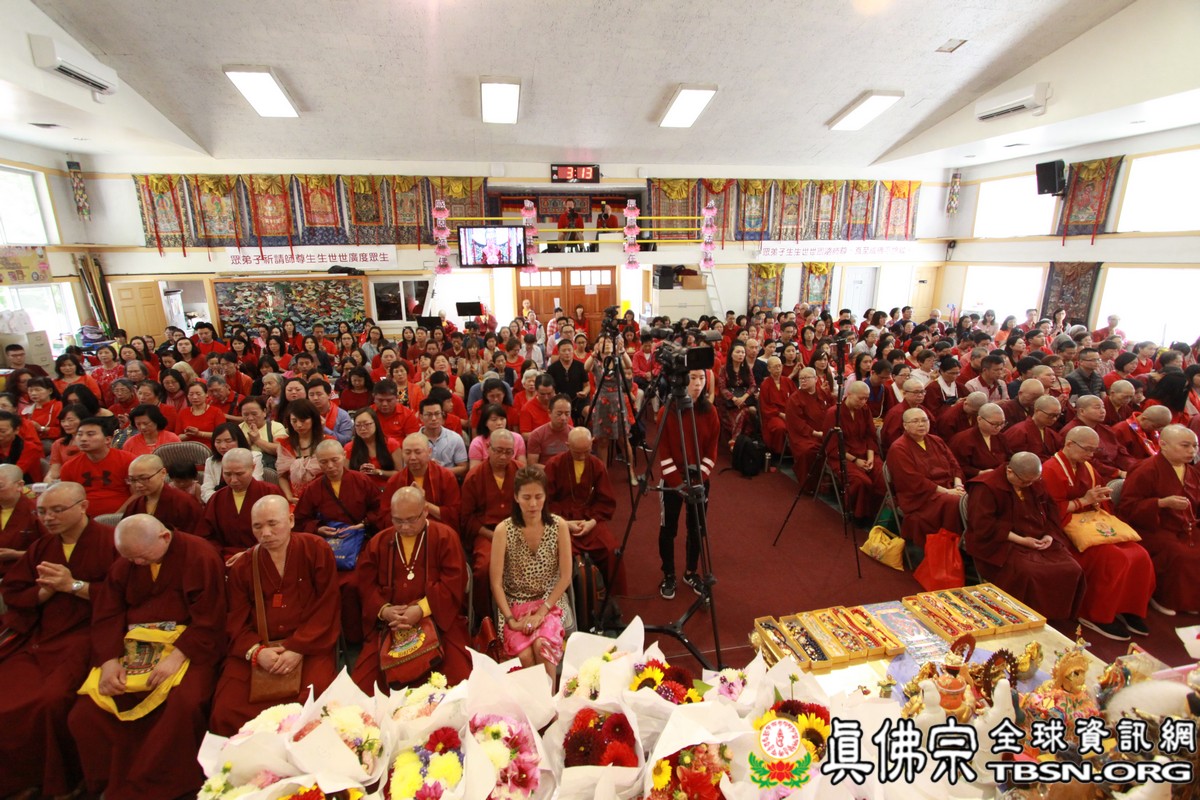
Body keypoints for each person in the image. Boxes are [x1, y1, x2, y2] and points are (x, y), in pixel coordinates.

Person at [68, 514, 226, 800]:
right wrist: (109, 661)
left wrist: (177, 656)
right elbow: (107, 613)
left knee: (185, 703)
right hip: (133, 645)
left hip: (188, 645)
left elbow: (210, 616)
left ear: (164, 537)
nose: (137, 563)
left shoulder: (200, 555)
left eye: (141, 556)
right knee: (86, 712)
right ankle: (113, 782)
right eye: (130, 558)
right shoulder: (126, 564)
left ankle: (160, 786)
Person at [0, 482, 117, 799]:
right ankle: (17, 779)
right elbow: (13, 590)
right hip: (41, 635)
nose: (48, 518)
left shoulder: (110, 542)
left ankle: (60, 779)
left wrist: (74, 586)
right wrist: (42, 593)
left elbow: (129, 594)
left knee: (51, 700)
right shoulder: (41, 547)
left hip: (89, 634)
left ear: (83, 507)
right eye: (42, 511)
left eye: (57, 510)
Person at [208, 495, 340, 735]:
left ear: (291, 521)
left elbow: (327, 605)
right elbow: (235, 619)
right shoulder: (244, 565)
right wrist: (257, 652)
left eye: (272, 524)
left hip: (309, 645)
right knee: (226, 709)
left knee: (315, 701)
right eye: (257, 527)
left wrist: (297, 648)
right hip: (259, 646)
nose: (265, 533)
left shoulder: (315, 549)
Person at [1040, 426, 1156, 640]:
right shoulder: (1051, 469)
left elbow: (1098, 498)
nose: (1091, 455)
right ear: (1069, 444)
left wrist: (1100, 497)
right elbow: (1050, 510)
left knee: (1140, 554)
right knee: (1114, 557)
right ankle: (1095, 614)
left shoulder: (1087, 466)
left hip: (1091, 522)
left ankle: (1129, 608)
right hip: (1063, 529)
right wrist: (1084, 501)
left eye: (1094, 450)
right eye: (1087, 449)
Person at [352, 486, 471, 691]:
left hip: (437, 620)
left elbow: (453, 582)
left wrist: (421, 610)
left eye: (411, 520)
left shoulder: (444, 536)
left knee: (459, 682)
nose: (405, 527)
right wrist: (384, 610)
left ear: (425, 511)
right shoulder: (379, 542)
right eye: (398, 520)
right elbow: (365, 584)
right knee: (362, 689)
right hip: (392, 625)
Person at [964, 452, 1086, 621]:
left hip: (1038, 537)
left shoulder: (1034, 482)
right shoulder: (986, 486)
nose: (1029, 485)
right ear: (1010, 471)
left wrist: (1049, 535)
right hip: (1002, 542)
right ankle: (1024, 618)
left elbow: (1051, 513)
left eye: (1033, 481)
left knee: (1072, 568)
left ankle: (1057, 618)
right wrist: (1022, 540)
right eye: (1024, 481)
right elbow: (983, 525)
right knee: (1030, 573)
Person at [490, 466, 573, 681]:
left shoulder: (559, 526)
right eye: (526, 497)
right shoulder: (503, 530)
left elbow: (566, 577)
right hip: (514, 604)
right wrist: (510, 619)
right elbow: (496, 583)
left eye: (538, 497)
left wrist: (542, 612)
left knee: (542, 645)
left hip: (550, 601)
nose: (533, 504)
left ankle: (550, 700)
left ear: (546, 496)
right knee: (525, 655)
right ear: (516, 497)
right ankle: (533, 701)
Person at [1117, 424, 1200, 615]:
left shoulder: (1191, 471)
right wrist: (1161, 503)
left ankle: (1192, 601)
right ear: (1163, 444)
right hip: (1151, 526)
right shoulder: (1146, 469)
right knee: (1180, 554)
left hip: (1184, 524)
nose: (1192, 451)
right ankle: (1164, 597)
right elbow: (1127, 507)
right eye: (1185, 445)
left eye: (1195, 446)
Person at [657, 369, 720, 600]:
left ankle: (691, 572)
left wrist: (699, 479)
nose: (698, 383)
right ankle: (669, 574)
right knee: (668, 529)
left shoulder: (710, 411)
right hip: (672, 482)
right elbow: (663, 452)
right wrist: (678, 484)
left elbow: (712, 450)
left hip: (699, 482)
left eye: (702, 378)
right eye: (692, 378)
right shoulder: (666, 411)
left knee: (697, 529)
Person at [544, 427, 626, 595]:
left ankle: (610, 598)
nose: (582, 457)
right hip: (560, 520)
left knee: (612, 550)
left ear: (592, 444)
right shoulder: (554, 465)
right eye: (577, 452)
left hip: (590, 518)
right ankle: (566, 598)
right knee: (560, 555)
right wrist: (564, 523)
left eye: (586, 451)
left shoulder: (597, 464)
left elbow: (605, 501)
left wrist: (592, 522)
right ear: (567, 445)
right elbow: (545, 502)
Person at [886, 408, 966, 546]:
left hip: (949, 488)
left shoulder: (936, 441)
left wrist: (958, 485)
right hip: (920, 496)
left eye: (924, 420)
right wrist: (948, 492)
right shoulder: (899, 448)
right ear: (905, 425)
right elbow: (913, 480)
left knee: (976, 497)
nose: (921, 424)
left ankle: (969, 541)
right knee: (955, 502)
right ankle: (950, 545)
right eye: (915, 421)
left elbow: (954, 465)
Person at [461, 429, 520, 610]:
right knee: (484, 568)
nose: (503, 456)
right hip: (487, 534)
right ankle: (484, 615)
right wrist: (493, 535)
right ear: (488, 448)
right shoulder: (474, 476)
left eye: (508, 452)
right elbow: (467, 518)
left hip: (517, 530)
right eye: (498, 451)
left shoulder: (520, 472)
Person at [198, 448, 286, 562]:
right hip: (226, 558)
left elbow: (282, 531)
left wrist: (250, 553)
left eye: (239, 474)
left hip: (264, 555)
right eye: (227, 474)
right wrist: (220, 555)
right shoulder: (217, 498)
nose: (233, 480)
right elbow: (206, 535)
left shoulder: (270, 492)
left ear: (253, 468)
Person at [824, 382, 887, 525]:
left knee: (882, 477)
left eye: (866, 399)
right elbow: (833, 446)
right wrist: (855, 460)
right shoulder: (834, 413)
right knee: (861, 482)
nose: (863, 402)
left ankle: (877, 514)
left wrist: (871, 458)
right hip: (842, 456)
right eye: (860, 398)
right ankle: (858, 515)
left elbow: (870, 436)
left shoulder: (864, 409)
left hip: (866, 453)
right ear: (849, 395)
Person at [59, 418, 135, 516]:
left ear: (107, 439)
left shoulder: (128, 460)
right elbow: (69, 499)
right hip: (83, 519)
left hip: (123, 517)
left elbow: (138, 494)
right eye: (80, 434)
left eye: (90, 434)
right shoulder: (69, 467)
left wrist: (116, 517)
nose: (83, 439)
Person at [120, 453, 204, 535]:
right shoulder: (134, 505)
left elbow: (197, 537)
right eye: (132, 480)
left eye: (144, 478)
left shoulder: (185, 502)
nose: (138, 485)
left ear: (163, 473)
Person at [783, 367, 829, 490]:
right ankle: (810, 484)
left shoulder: (822, 393)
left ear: (815, 379)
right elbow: (797, 424)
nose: (803, 381)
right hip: (804, 436)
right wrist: (816, 433)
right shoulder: (794, 399)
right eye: (801, 378)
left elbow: (831, 411)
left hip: (825, 432)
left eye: (806, 378)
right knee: (808, 451)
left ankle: (831, 481)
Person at [275, 398, 326, 503]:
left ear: (313, 419)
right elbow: (282, 476)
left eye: (303, 420)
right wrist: (289, 497)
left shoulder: (327, 443)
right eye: (294, 421)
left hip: (323, 497)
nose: (298, 425)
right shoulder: (284, 445)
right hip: (295, 499)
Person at [949, 402, 1010, 479]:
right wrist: (979, 472)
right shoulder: (962, 440)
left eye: (1002, 423)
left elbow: (1008, 457)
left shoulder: (1000, 437)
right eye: (994, 424)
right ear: (979, 419)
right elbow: (956, 467)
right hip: (976, 480)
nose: (998, 427)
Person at [346, 407, 401, 486]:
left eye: (367, 424)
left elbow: (399, 474)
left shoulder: (391, 444)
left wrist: (378, 472)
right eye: (358, 425)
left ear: (376, 423)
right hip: (361, 488)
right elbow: (346, 477)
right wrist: (359, 474)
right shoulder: (349, 448)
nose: (363, 428)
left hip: (387, 488)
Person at [0, 463, 37, 580]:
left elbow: (52, 551)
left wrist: (16, 554)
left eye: (0, 486)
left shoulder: (37, 512)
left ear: (19, 485)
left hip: (24, 574)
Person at [417, 396, 468, 478]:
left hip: (447, 480)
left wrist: (440, 470)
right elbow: (407, 469)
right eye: (429, 415)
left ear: (442, 414)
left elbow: (463, 467)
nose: (434, 418)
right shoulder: (413, 441)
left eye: (437, 414)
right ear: (421, 417)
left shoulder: (455, 438)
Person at [880, 379, 933, 454]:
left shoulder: (924, 411)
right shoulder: (896, 413)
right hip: (903, 451)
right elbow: (891, 440)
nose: (920, 395)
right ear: (904, 393)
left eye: (922, 392)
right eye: (916, 392)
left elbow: (932, 432)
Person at [1001, 394, 1063, 460]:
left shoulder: (1051, 433)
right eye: (1051, 415)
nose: (1054, 419)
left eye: (1057, 415)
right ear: (1037, 411)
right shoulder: (1020, 431)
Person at [1112, 404, 1171, 471]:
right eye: (1154, 426)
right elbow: (1118, 456)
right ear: (1143, 419)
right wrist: (1144, 468)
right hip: (1132, 470)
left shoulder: (1153, 431)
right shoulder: (1121, 429)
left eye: (1159, 428)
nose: (1156, 430)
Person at [547, 341, 589, 424]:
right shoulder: (552, 368)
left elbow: (587, 385)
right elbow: (549, 387)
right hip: (560, 401)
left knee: (589, 411)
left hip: (578, 400)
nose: (567, 353)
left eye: (569, 350)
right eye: (564, 350)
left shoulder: (581, 366)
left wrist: (584, 392)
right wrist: (554, 395)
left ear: (573, 351)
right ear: (559, 352)